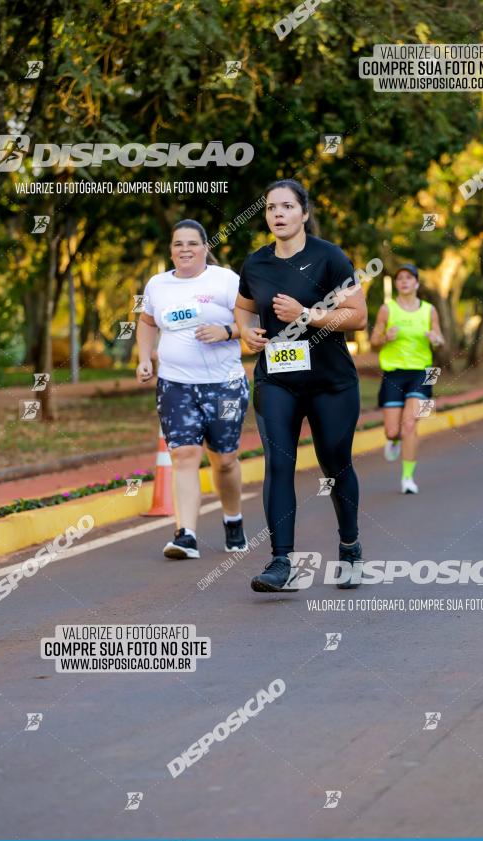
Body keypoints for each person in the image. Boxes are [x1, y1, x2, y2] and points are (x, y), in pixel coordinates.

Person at [234, 179, 368, 592]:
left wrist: (306, 314)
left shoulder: (330, 258)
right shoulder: (255, 264)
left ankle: (349, 547)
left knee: (334, 462)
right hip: (277, 380)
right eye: (271, 207)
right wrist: (246, 333)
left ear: (304, 213)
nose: (278, 214)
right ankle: (281, 561)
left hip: (331, 382)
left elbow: (358, 315)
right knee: (278, 463)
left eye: (287, 206)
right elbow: (243, 309)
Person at [136, 219, 250, 558]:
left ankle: (233, 519)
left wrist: (226, 332)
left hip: (225, 385)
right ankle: (185, 534)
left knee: (225, 459)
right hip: (175, 384)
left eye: (192, 243)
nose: (184, 249)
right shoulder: (158, 285)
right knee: (183, 454)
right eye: (177, 244)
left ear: (205, 248)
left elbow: (252, 322)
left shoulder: (226, 280)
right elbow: (146, 322)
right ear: (170, 250)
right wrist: (144, 358)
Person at [370, 264, 444, 494]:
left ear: (417, 283)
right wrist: (385, 337)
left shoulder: (429, 310)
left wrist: (436, 339)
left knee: (410, 424)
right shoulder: (387, 309)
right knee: (393, 431)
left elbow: (440, 339)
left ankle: (408, 478)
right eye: (400, 278)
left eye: (409, 278)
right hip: (393, 373)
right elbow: (374, 341)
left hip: (421, 373)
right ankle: (393, 440)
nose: (404, 282)